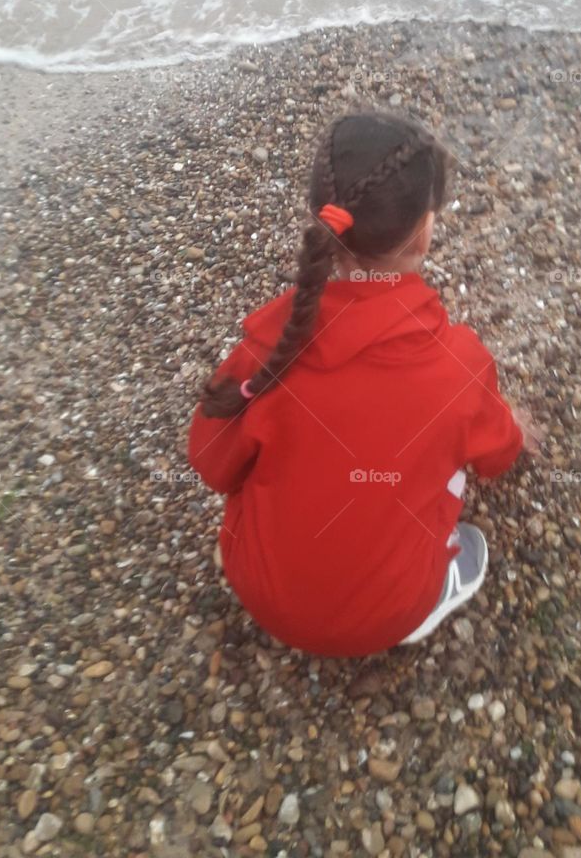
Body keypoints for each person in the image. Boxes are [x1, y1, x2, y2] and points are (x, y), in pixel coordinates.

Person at [188, 109, 539, 656]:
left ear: (321, 217)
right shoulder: (458, 365)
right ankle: (437, 590)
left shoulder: (264, 350)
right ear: (425, 232)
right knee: (458, 507)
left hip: (255, 587)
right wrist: (510, 427)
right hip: (389, 617)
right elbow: (497, 458)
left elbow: (212, 464)